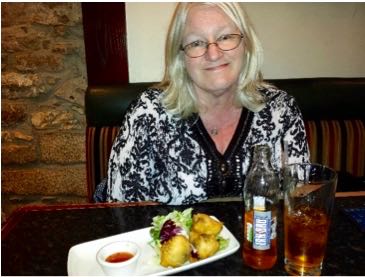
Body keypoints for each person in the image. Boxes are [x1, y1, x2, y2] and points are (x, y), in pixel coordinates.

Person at [97, 2, 310, 204]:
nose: (213, 53)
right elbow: (122, 215)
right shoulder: (147, 114)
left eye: (225, 37)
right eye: (197, 42)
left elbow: (298, 205)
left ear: (247, 45)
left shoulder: (281, 110)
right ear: (180, 56)